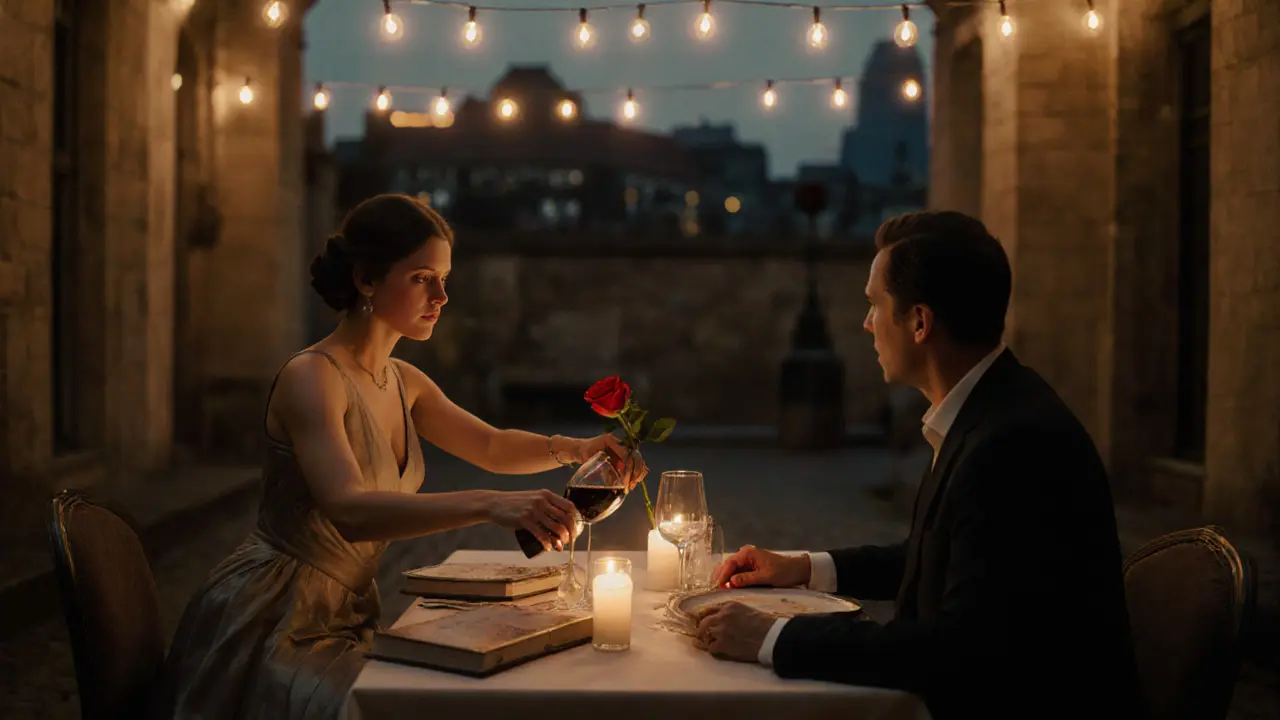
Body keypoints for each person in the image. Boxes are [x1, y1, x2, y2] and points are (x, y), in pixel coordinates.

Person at [154, 194, 647, 719]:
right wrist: (490, 505)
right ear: (366, 279)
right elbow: (349, 509)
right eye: (421, 278)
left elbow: (491, 445)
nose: (441, 295)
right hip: (272, 617)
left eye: (444, 277)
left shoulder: (402, 381)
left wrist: (578, 449)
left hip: (345, 614)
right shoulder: (312, 377)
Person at [697, 211, 1144, 719]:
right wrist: (802, 567)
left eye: (874, 305)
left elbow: (956, 652)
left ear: (919, 322)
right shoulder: (992, 407)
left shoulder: (1013, 444)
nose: (866, 324)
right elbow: (935, 556)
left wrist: (772, 635)